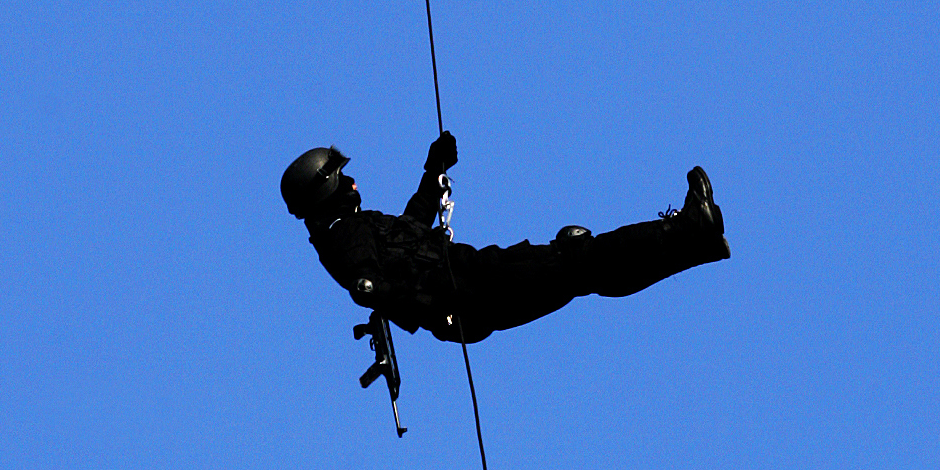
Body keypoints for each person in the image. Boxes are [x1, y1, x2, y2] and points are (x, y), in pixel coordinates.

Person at [280, 131, 729, 345]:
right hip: (472, 291)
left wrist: (433, 170)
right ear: (327, 190)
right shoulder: (346, 237)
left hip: (475, 279)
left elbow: (412, 230)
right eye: (343, 177)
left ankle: (695, 242)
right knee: (578, 259)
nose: (354, 181)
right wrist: (378, 290)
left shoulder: (355, 228)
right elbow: (367, 281)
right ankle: (687, 231)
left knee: (581, 269)